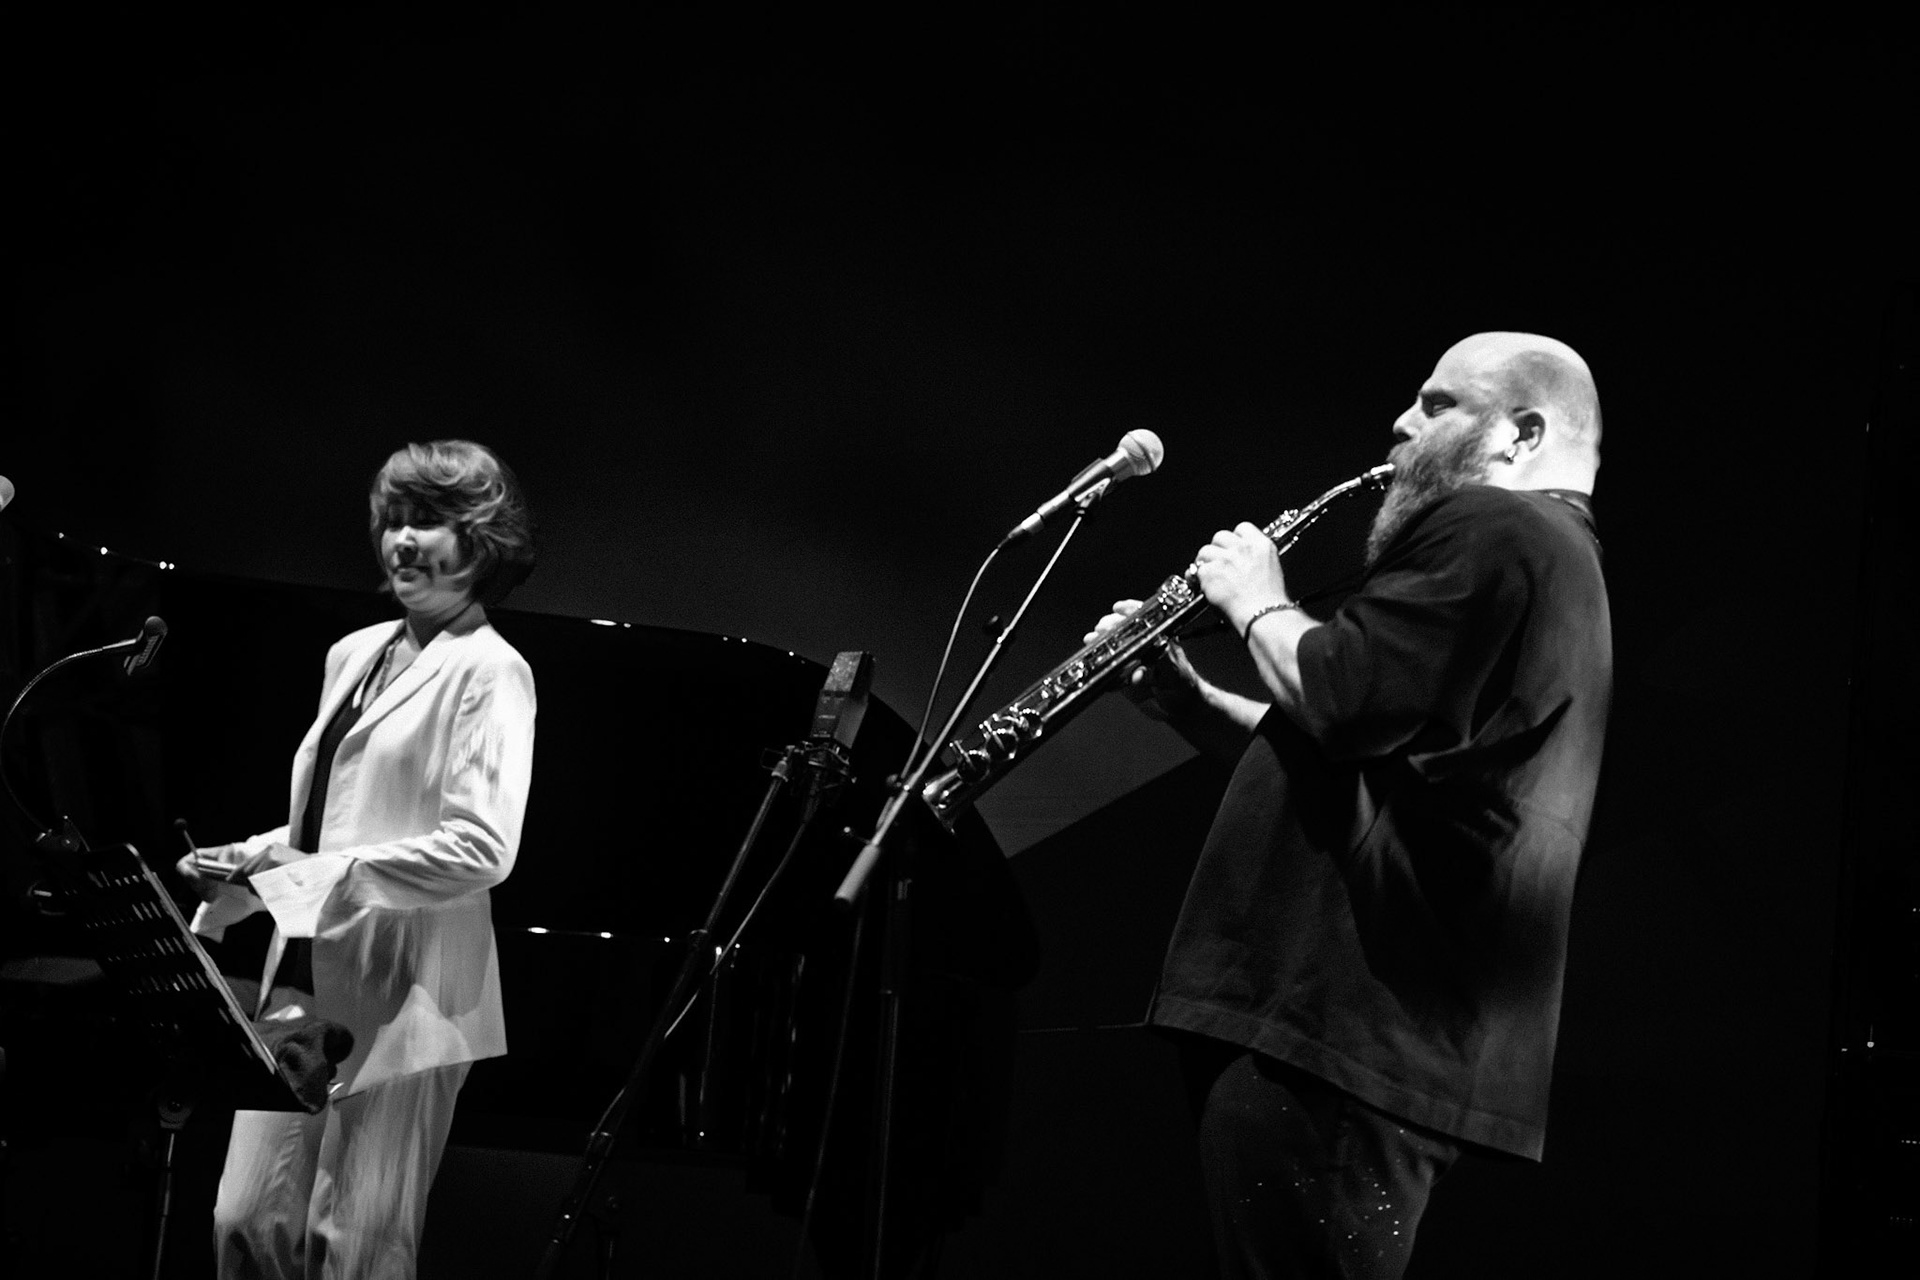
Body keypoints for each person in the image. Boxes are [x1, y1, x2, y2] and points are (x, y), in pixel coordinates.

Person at [1088, 333, 1610, 1279]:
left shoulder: (1498, 527)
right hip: (1372, 1041)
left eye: (1438, 405)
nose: (1403, 425)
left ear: (1522, 433)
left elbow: (1343, 693)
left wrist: (1254, 601)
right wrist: (1188, 700)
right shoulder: (1553, 561)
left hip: (1336, 1028)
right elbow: (1363, 748)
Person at [178, 440, 537, 1279]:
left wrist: (310, 877)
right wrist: (245, 861)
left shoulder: (492, 670)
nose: (403, 540)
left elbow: (482, 848)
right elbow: (331, 822)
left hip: (407, 996)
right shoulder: (355, 652)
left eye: (431, 523)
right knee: (246, 1224)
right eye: (394, 521)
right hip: (300, 980)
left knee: (355, 1248)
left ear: (481, 543)